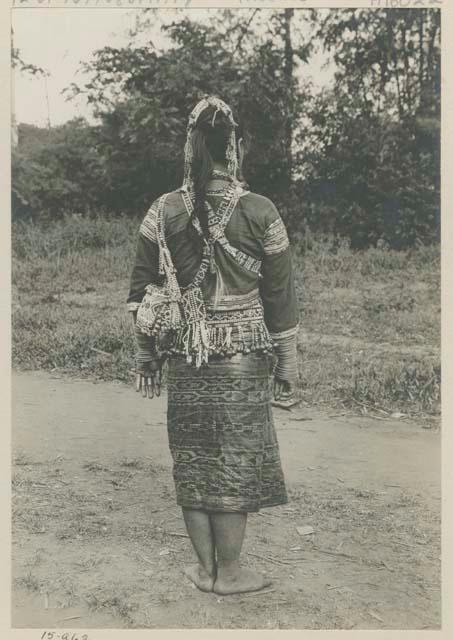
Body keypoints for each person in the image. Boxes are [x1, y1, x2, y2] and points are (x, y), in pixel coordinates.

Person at [127, 96, 299, 595]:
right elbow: (280, 298)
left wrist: (146, 356)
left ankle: (205, 570)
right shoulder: (260, 212)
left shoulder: (164, 211)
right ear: (236, 148)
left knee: (194, 457)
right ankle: (232, 572)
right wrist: (286, 365)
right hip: (243, 358)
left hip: (185, 356)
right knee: (235, 460)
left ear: (189, 147)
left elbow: (140, 293)